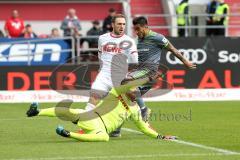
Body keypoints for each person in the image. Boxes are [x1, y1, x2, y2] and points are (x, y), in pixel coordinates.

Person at [26, 71, 177, 142]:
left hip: (100, 129)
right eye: (131, 88)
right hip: (91, 116)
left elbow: (144, 128)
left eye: (134, 91)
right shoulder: (117, 92)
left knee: (104, 138)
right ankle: (36, 111)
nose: (132, 91)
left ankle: (68, 134)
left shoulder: (135, 110)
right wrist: (151, 78)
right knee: (67, 111)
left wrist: (162, 136)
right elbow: (131, 84)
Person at [131, 16, 196, 125]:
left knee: (128, 86)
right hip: (142, 73)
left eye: (138, 29)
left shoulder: (157, 37)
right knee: (127, 97)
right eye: (135, 29)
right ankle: (122, 129)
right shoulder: (140, 39)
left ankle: (144, 109)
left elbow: (173, 49)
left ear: (145, 26)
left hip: (149, 72)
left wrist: (185, 61)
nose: (136, 32)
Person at [85, 14, 138, 137]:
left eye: (124, 24)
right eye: (119, 24)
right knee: (93, 100)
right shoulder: (102, 38)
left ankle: (116, 129)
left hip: (120, 78)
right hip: (104, 75)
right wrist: (101, 67)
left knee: (121, 104)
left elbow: (135, 63)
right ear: (112, 25)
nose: (122, 26)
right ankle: (85, 126)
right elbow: (100, 54)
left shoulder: (129, 41)